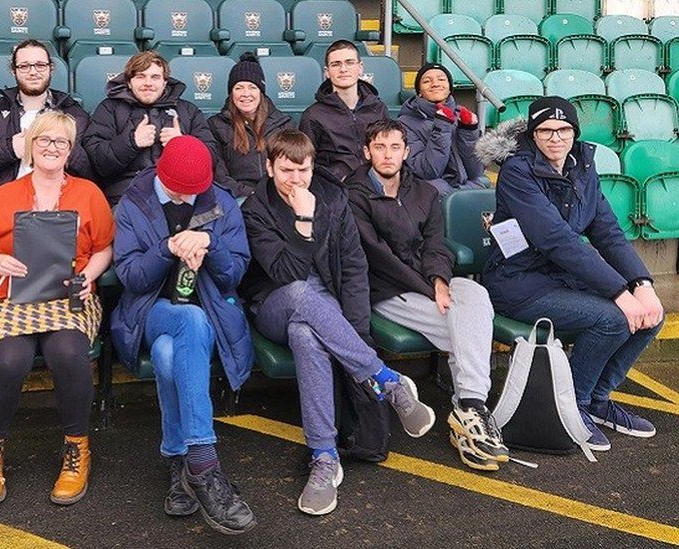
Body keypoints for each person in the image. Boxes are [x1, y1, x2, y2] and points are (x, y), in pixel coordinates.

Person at [241, 129, 435, 516]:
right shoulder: (255, 209)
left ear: (313, 167)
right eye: (286, 170)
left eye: (303, 170)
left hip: (323, 307)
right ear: (269, 167)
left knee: (307, 336)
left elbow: (353, 267)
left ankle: (324, 457)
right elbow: (286, 272)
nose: (295, 179)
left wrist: (356, 329)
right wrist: (303, 218)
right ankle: (386, 379)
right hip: (273, 302)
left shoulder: (334, 198)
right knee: (299, 296)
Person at [477, 97, 664, 451]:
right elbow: (556, 240)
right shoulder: (517, 171)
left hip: (562, 277)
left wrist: (642, 284)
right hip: (518, 281)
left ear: (575, 132)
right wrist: (620, 293)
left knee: (651, 315)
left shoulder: (583, 167)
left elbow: (607, 232)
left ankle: (596, 399)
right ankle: (572, 408)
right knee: (611, 318)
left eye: (564, 130)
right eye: (545, 130)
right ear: (532, 135)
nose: (555, 138)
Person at [0, 111, 114, 506]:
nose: (51, 148)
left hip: (69, 299)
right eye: (44, 140)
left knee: (69, 354)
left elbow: (103, 250)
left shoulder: (89, 194)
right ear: (30, 146)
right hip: (7, 299)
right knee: (9, 361)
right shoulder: (3, 195)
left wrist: (87, 277)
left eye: (60, 142)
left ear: (70, 150)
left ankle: (76, 449)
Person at [111, 136, 256, 535]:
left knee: (167, 355)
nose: (189, 198)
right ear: (161, 175)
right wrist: (168, 248)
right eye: (180, 191)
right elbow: (131, 277)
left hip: (209, 308)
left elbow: (233, 276)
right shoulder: (135, 202)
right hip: (150, 310)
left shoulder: (220, 200)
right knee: (183, 323)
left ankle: (179, 459)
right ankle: (205, 464)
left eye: (196, 192)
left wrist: (211, 243)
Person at [346, 119, 508, 472]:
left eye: (394, 147)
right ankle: (473, 417)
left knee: (475, 295)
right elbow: (377, 256)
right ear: (367, 151)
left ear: (406, 151)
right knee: (467, 327)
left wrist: (439, 278)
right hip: (387, 288)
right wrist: (429, 287)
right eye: (379, 147)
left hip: (428, 282)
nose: (387, 155)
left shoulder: (424, 191)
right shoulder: (354, 194)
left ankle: (469, 405)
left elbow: (435, 243)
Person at [0, 39, 92, 225]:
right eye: (24, 66)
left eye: (40, 65)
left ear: (50, 68)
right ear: (14, 70)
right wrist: (10, 148)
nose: (33, 71)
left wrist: (60, 148)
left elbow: (90, 171)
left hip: (58, 204)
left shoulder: (73, 114)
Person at [82, 51, 221, 205]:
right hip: (127, 196)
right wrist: (131, 142)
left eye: (155, 77)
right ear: (129, 82)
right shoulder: (109, 109)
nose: (148, 83)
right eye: (141, 76)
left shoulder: (188, 111)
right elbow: (97, 162)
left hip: (180, 195)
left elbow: (211, 158)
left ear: (165, 83)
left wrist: (182, 144)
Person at [299, 40, 388, 181]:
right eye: (336, 64)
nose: (343, 69)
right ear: (327, 72)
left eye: (350, 62)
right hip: (336, 188)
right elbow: (305, 162)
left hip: (375, 186)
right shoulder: (313, 115)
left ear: (360, 68)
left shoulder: (378, 108)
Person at [208, 52, 294, 198]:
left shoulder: (284, 124)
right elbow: (218, 174)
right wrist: (250, 194)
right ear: (231, 93)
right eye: (239, 87)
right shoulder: (216, 125)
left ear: (261, 92)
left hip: (277, 196)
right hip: (238, 198)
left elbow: (292, 168)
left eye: (252, 87)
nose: (245, 93)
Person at [398, 63, 488, 197]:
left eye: (441, 79)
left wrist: (468, 132)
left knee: (482, 182)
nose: (435, 84)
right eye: (427, 81)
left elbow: (475, 171)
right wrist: (442, 126)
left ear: (450, 89)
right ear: (419, 92)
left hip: (461, 184)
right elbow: (428, 171)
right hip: (429, 189)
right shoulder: (404, 123)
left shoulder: (461, 115)